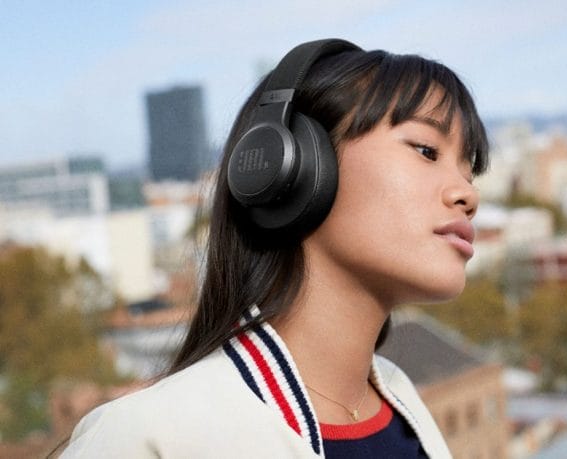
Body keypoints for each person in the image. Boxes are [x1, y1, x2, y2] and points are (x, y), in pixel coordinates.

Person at [61, 38, 488, 458]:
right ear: (294, 166)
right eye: (427, 150)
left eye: (469, 172)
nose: (466, 194)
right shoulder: (148, 438)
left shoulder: (404, 406)